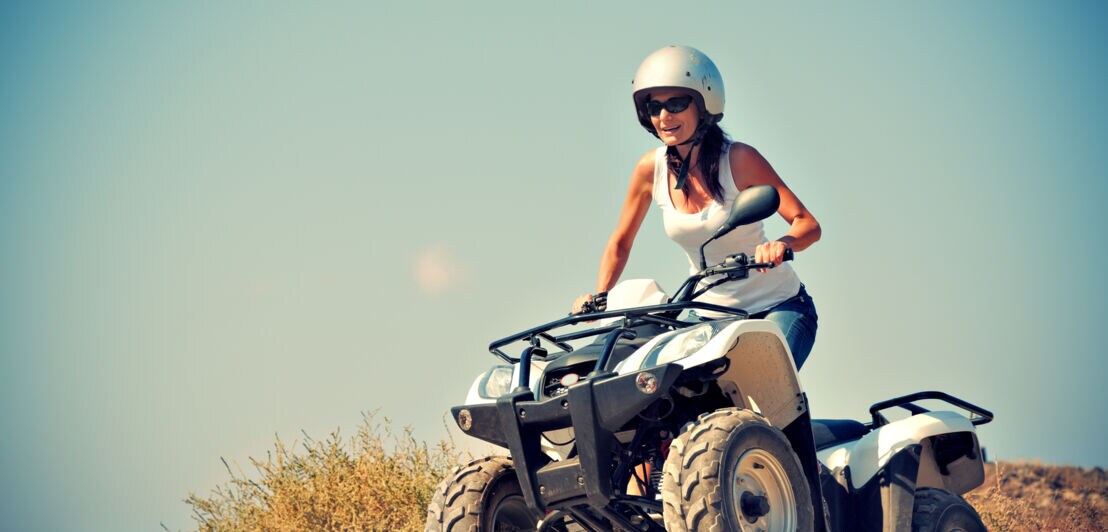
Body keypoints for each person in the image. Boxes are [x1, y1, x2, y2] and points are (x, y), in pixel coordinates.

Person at [572, 45, 822, 370]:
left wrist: (781, 245)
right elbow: (620, 242)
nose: (664, 117)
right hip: (708, 317)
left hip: (778, 307)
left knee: (767, 386)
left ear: (704, 104)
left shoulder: (739, 160)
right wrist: (599, 297)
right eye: (654, 107)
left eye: (676, 104)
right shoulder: (651, 170)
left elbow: (807, 224)